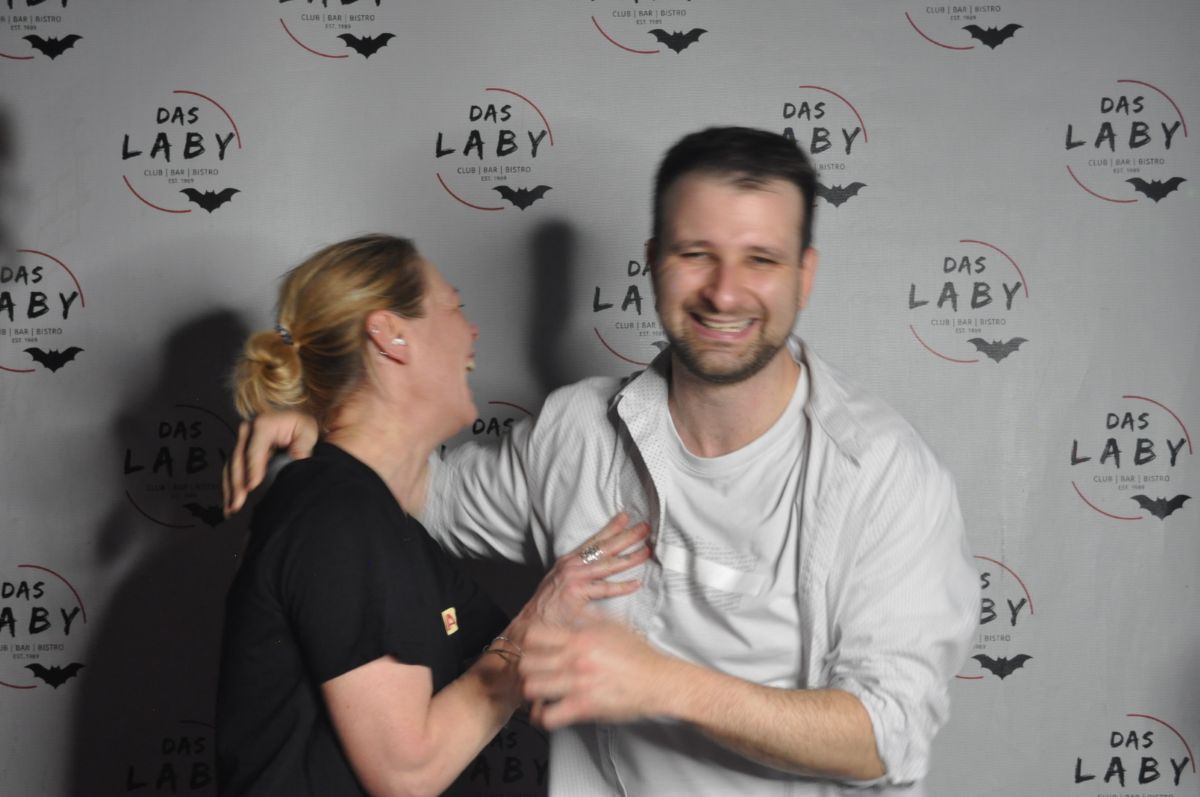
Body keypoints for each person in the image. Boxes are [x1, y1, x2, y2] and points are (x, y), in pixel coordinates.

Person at [225, 129, 979, 796]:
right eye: (695, 254)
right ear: (652, 263)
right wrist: (326, 418)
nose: (724, 292)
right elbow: (413, 491)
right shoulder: (576, 431)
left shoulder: (883, 473)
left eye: (761, 259)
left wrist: (663, 683)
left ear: (804, 275)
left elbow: (890, 735)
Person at [216, 234, 650, 797]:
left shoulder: (383, 522)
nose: (472, 331)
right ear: (390, 335)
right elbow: (408, 771)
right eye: (454, 306)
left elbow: (516, 672)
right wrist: (540, 616)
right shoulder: (338, 516)